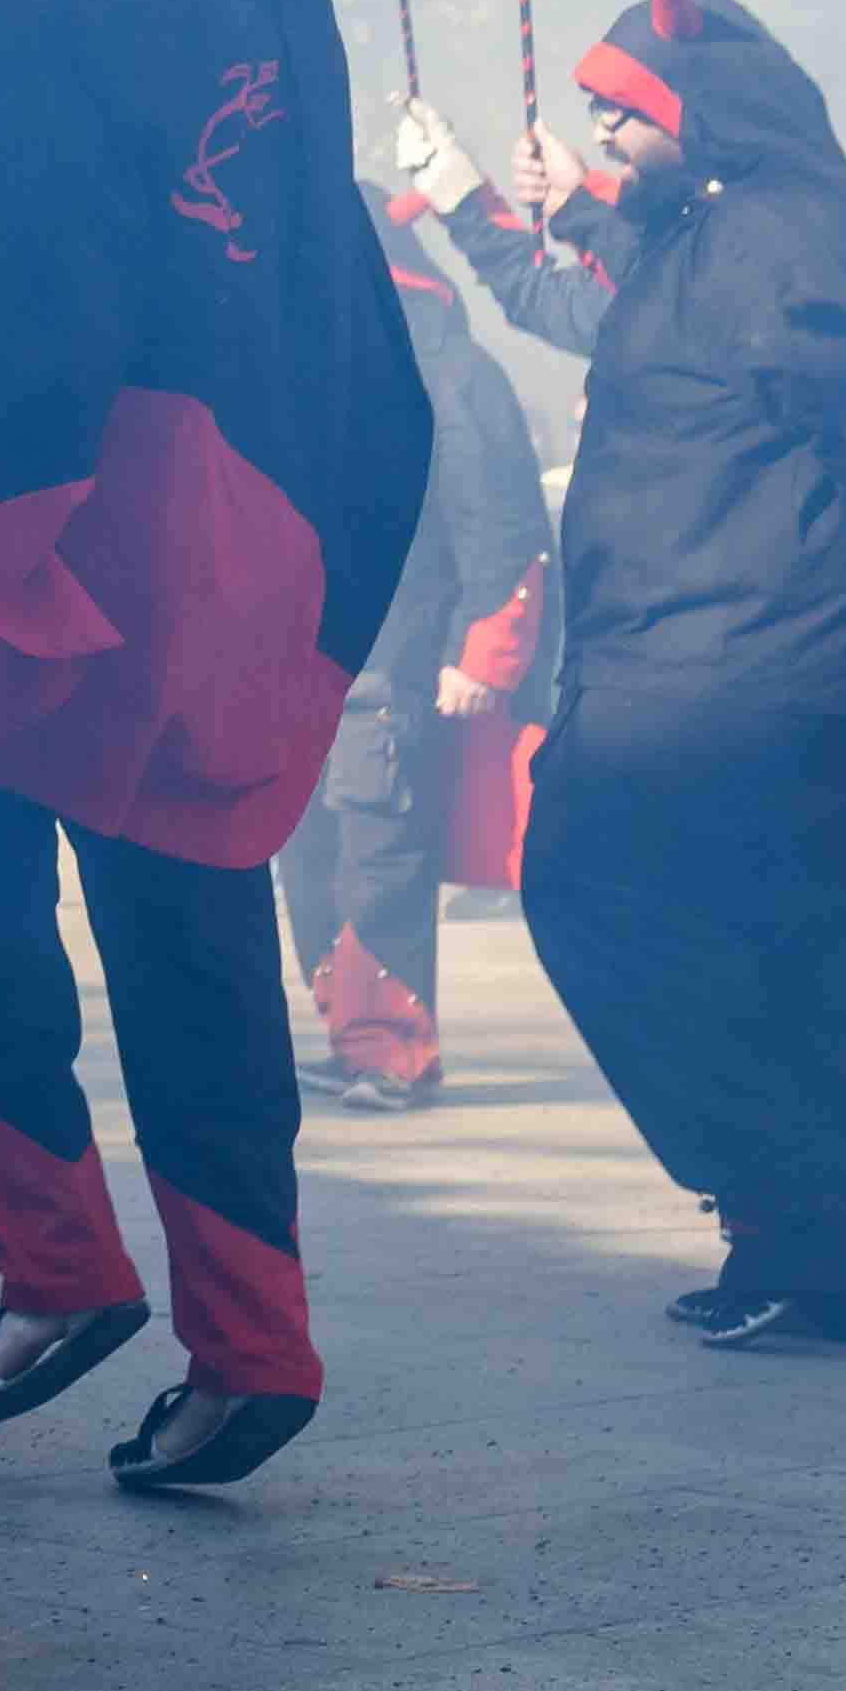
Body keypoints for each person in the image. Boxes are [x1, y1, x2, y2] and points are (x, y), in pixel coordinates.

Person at [0, 0, 429, 1492]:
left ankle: (53, 1267)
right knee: (192, 938)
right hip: (232, 527)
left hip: (50, 505)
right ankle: (251, 1347)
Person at [420, 0, 846, 1354]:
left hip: (740, 672)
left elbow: (837, 404)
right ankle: (814, 1247)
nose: (604, 139)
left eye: (623, 114)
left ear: (703, 113)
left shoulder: (778, 238)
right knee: (769, 955)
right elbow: (645, 299)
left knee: (601, 894)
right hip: (700, 661)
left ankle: (809, 1223)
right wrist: (493, 207)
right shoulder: (734, 230)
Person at [275, 195, 552, 1110]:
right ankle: (355, 1035)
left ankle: (395, 1051)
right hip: (299, 661)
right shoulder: (301, 373)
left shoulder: (454, 374)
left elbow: (502, 521)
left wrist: (485, 646)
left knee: (378, 849)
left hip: (394, 657)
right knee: (307, 851)